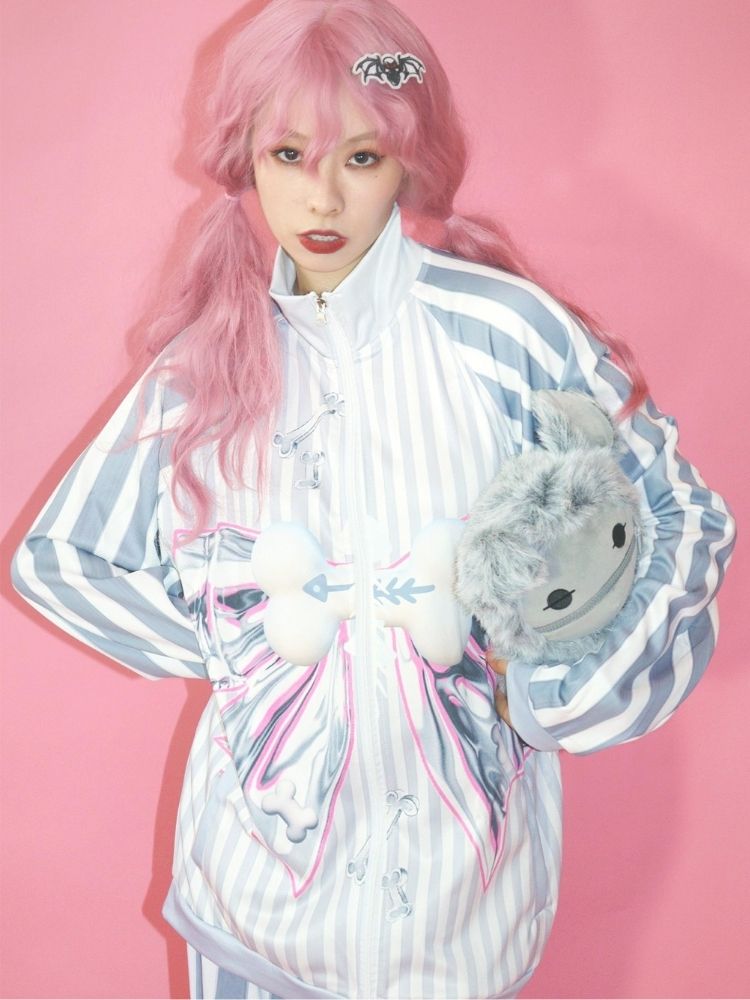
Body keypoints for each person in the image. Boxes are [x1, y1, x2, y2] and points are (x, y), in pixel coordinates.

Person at [10, 1, 736, 998]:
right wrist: (235, 646)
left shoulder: (508, 333)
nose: (322, 195)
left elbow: (680, 515)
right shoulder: (206, 367)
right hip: (252, 904)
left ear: (407, 161)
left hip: (464, 910)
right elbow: (56, 559)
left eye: (360, 157)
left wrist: (558, 688)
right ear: (245, 161)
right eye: (287, 155)